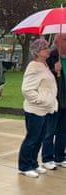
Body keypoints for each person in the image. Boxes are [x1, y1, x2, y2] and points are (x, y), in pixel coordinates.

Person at [18, 39, 58, 178]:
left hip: (46, 109)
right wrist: (41, 100)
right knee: (32, 138)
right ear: (38, 51)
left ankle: (33, 163)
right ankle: (24, 166)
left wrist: (56, 71)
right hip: (36, 109)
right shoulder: (34, 66)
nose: (48, 49)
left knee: (40, 138)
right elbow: (27, 90)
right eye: (45, 48)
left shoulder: (44, 65)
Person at [41, 33, 66, 169]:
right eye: (65, 39)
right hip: (54, 101)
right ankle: (47, 158)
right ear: (57, 42)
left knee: (63, 131)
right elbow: (42, 77)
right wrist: (53, 70)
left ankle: (60, 156)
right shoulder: (49, 56)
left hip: (65, 101)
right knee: (50, 131)